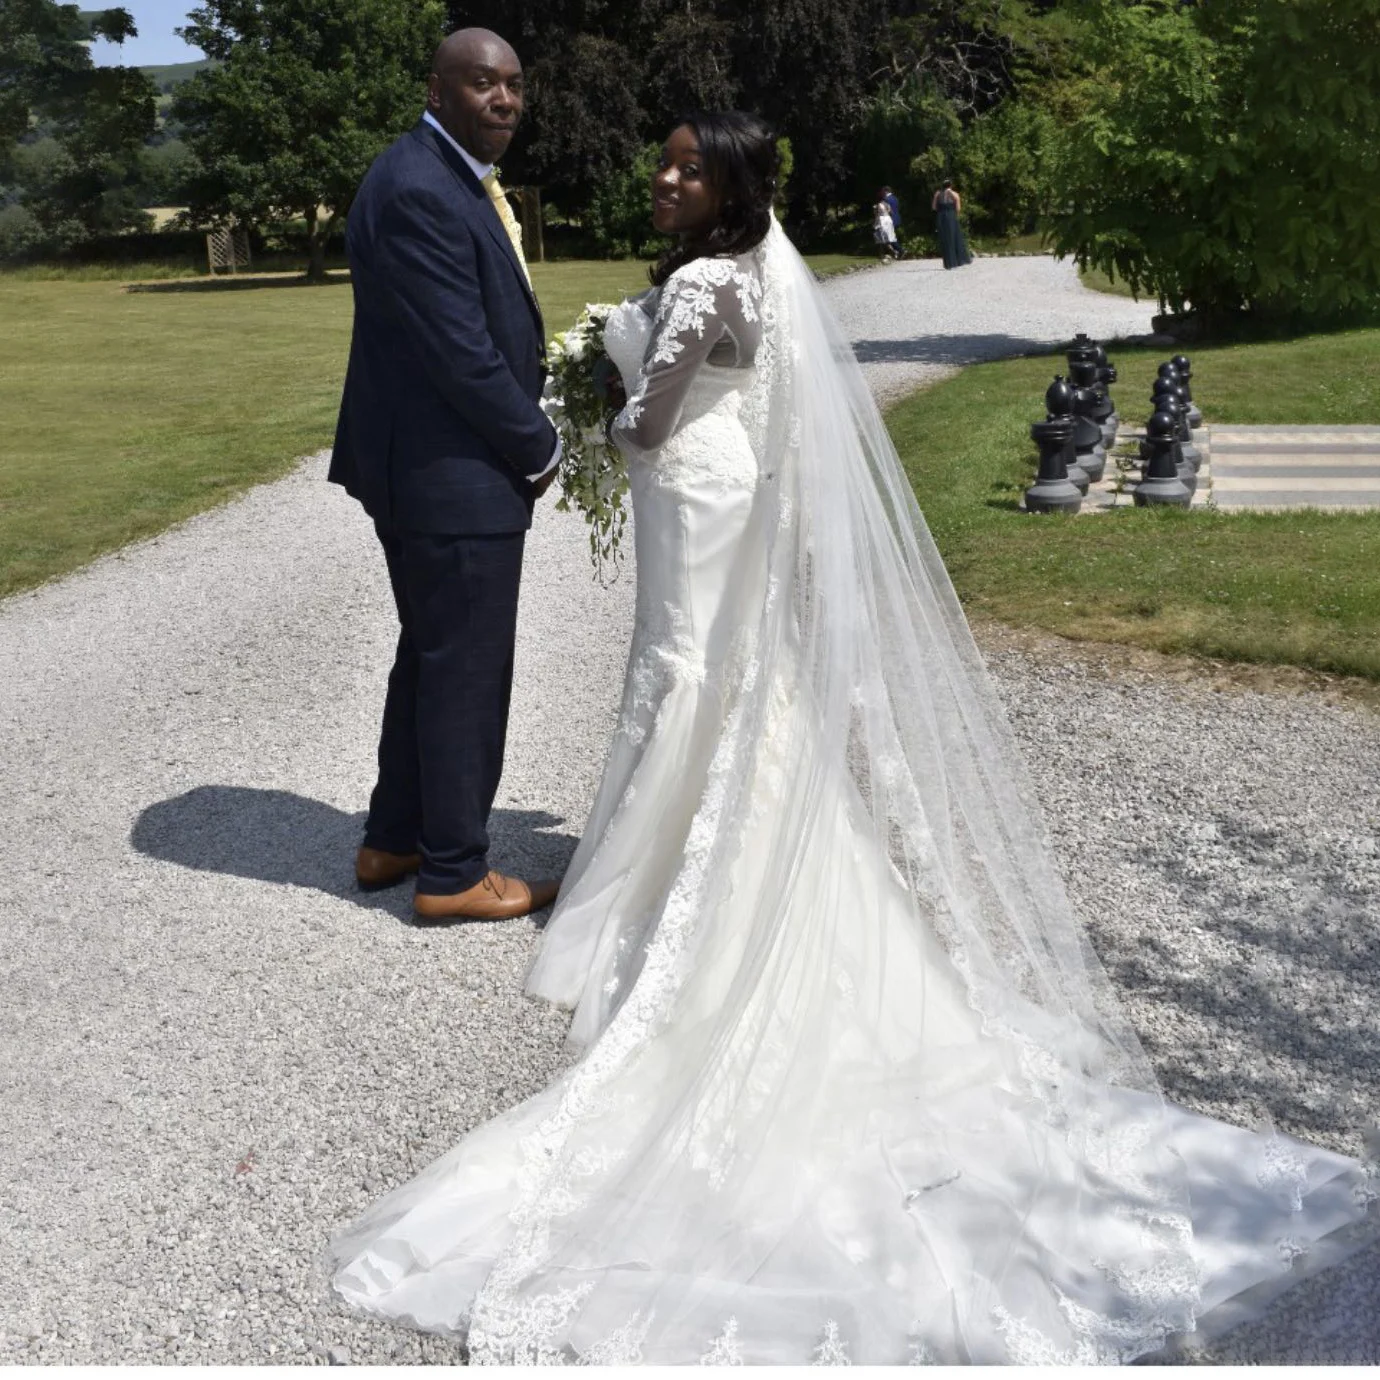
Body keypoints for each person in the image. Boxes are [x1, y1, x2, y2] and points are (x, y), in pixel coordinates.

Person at [329, 112, 1376, 1363]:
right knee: (709, 686)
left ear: (726, 189)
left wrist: (605, 386)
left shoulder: (711, 279)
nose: (663, 178)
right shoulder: (743, 273)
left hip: (688, 491)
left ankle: (655, 887)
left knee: (679, 680)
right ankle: (676, 859)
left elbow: (649, 426)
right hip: (718, 498)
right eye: (664, 161)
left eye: (685, 166)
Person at [329, 28, 561, 923]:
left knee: (431, 654)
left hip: (428, 469)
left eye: (511, 85)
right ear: (437, 88)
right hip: (448, 474)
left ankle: (394, 838)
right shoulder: (422, 186)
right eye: (480, 83)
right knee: (466, 665)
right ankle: (455, 873)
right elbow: (460, 356)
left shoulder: (443, 175)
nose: (501, 99)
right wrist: (537, 446)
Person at [933, 176, 972, 269]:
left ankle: (948, 263)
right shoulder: (954, 194)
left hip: (941, 216)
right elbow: (958, 208)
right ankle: (959, 260)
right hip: (951, 216)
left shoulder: (938, 194)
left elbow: (934, 207)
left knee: (945, 239)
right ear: (951, 185)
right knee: (955, 237)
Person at [872, 189, 900, 260]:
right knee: (887, 238)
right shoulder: (887, 204)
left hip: (882, 221)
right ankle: (890, 253)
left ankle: (891, 252)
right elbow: (891, 212)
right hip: (888, 220)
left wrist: (875, 223)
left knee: (882, 239)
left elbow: (876, 215)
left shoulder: (878, 205)